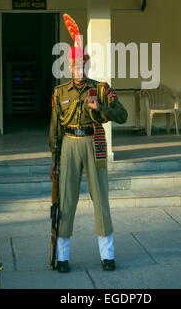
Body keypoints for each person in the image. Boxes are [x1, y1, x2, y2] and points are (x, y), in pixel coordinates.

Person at [49, 14, 128, 273]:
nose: (79, 71)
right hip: (69, 146)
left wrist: (101, 106)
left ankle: (108, 256)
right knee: (66, 201)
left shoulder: (102, 89)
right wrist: (54, 160)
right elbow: (55, 130)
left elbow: (123, 116)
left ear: (88, 65)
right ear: (69, 67)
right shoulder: (60, 93)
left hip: (94, 144)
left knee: (101, 201)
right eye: (74, 66)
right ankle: (62, 258)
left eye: (82, 66)